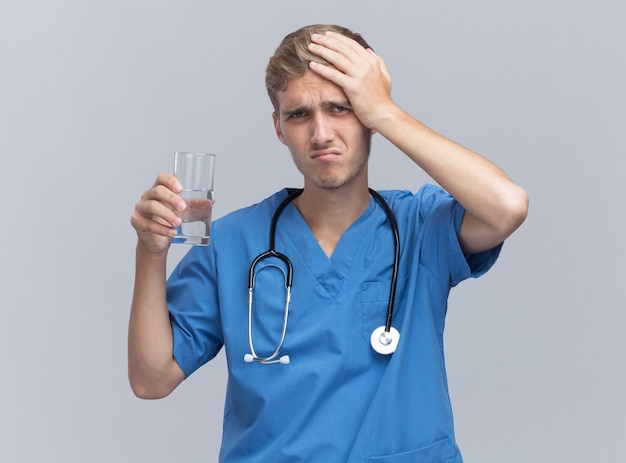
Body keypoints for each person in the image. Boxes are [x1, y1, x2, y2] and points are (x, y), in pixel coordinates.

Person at [129, 24, 528, 462]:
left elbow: (506, 206)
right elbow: (151, 379)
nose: (320, 134)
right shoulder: (232, 243)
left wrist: (386, 111)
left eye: (340, 108)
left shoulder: (420, 227)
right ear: (279, 127)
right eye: (299, 114)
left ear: (367, 117)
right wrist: (151, 253)